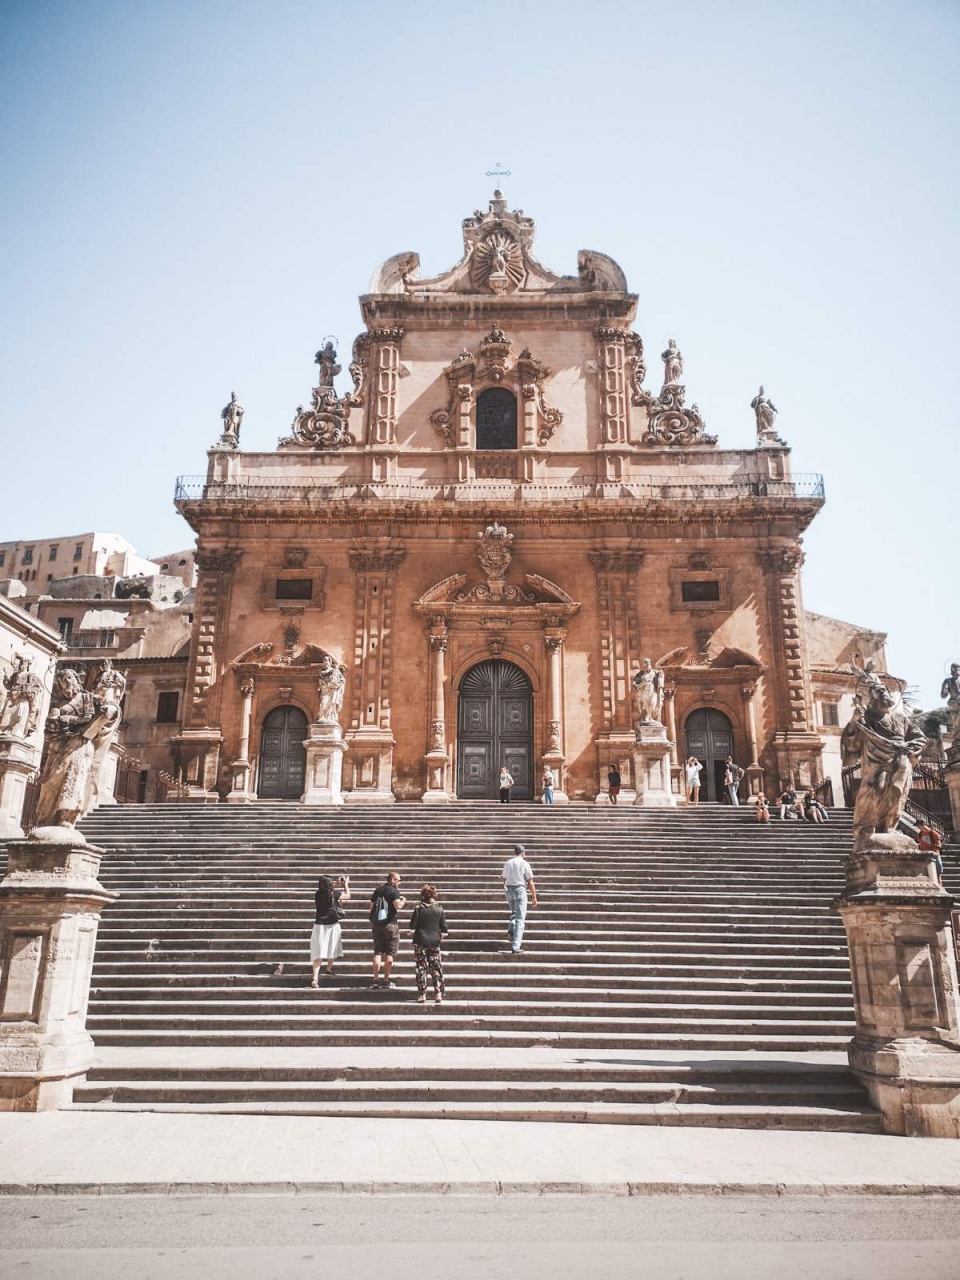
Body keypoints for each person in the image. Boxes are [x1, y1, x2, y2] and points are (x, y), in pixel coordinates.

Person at [409, 884, 449, 1004]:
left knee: (421, 967)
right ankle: (438, 993)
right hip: (434, 941)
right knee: (436, 967)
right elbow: (444, 929)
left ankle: (422, 994)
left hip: (420, 941)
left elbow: (412, 926)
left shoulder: (419, 908)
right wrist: (438, 938)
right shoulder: (439, 908)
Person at [368, 871, 406, 987]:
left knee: (378, 952)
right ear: (393, 880)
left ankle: (375, 979)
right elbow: (398, 906)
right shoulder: (394, 891)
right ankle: (385, 980)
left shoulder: (378, 890)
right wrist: (403, 899)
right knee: (389, 953)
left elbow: (371, 907)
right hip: (390, 924)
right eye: (399, 880)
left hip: (377, 924)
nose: (399, 883)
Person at [310, 874, 350, 985]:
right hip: (332, 924)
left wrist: (336, 883)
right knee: (332, 947)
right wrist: (345, 884)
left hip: (319, 925)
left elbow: (328, 890)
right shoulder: (334, 893)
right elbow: (348, 896)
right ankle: (329, 968)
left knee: (318, 953)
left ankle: (315, 978)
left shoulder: (318, 894)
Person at [502, 843, 537, 956]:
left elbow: (504, 878)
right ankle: (516, 946)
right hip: (520, 889)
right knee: (520, 919)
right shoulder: (524, 863)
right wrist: (534, 896)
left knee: (514, 913)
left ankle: (512, 930)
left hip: (509, 889)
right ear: (523, 853)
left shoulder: (508, 862)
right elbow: (530, 881)